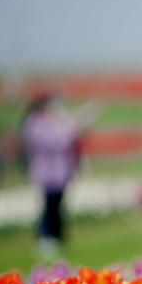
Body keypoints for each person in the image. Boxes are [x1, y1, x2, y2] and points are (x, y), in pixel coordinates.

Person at [22, 92, 96, 256]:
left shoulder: (53, 122)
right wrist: (70, 128)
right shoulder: (36, 124)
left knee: (58, 205)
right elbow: (57, 140)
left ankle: (58, 236)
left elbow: (71, 127)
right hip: (47, 173)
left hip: (61, 172)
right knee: (49, 205)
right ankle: (46, 237)